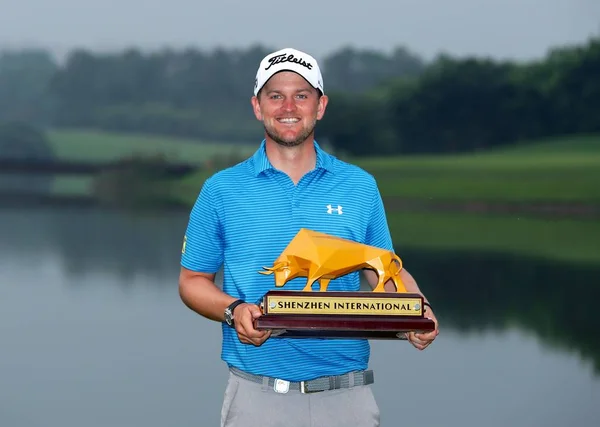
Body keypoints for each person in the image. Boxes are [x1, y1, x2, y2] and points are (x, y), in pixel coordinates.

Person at [179, 47, 439, 427]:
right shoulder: (221, 189)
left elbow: (382, 270)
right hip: (257, 397)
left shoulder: (359, 186)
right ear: (257, 105)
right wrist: (234, 311)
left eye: (301, 95)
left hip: (347, 397)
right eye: (276, 95)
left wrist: (417, 308)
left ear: (320, 106)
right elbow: (192, 282)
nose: (289, 106)